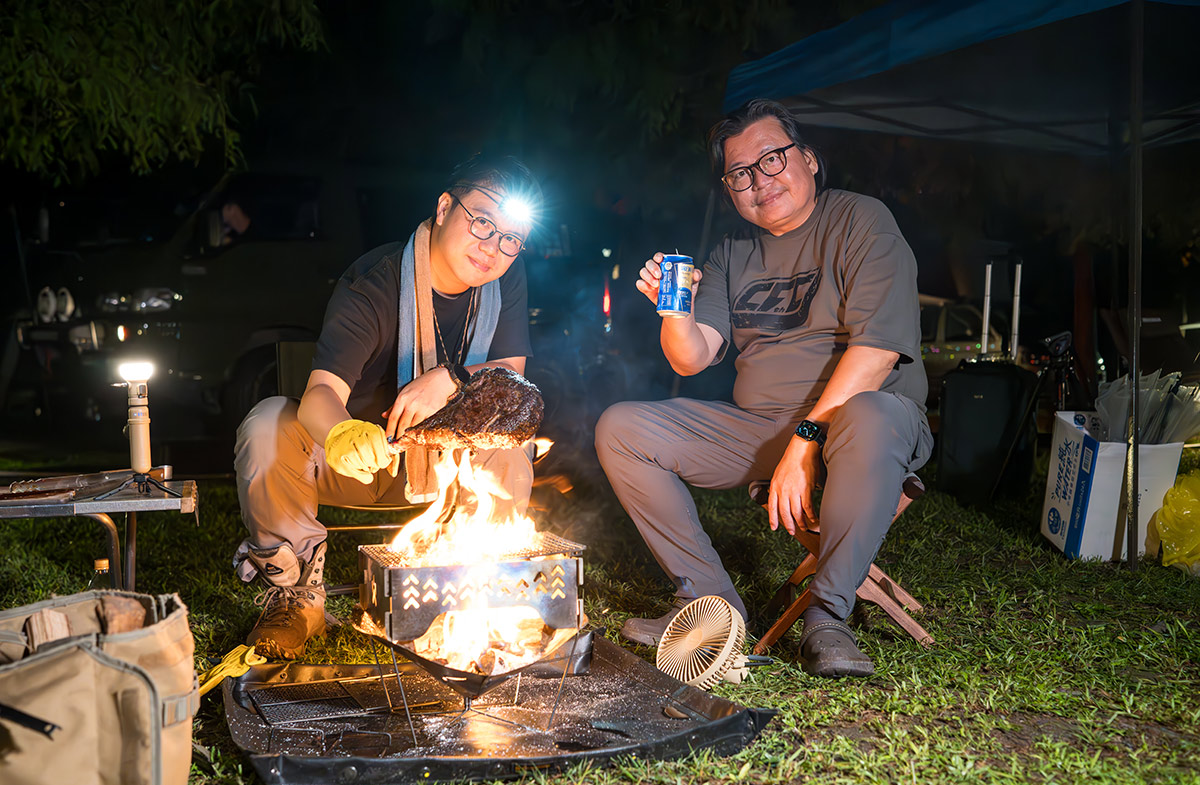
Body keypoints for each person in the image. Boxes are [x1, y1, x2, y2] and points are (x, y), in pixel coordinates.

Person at [595, 99, 933, 678]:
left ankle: (828, 615)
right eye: (740, 173)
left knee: (870, 414)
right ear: (730, 189)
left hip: (867, 423)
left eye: (772, 159)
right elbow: (694, 356)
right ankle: (711, 604)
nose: (759, 180)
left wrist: (805, 442)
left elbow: (876, 355)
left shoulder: (860, 221)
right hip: (762, 428)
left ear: (809, 160)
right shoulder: (732, 253)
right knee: (622, 428)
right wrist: (672, 311)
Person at [232, 153, 543, 659]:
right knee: (269, 422)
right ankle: (295, 595)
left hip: (449, 465)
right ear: (445, 207)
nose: (494, 248)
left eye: (511, 238)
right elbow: (321, 395)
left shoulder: (505, 280)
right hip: (354, 463)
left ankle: (484, 592)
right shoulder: (376, 282)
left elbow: (509, 383)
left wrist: (449, 378)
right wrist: (342, 434)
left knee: (507, 437)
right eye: (483, 222)